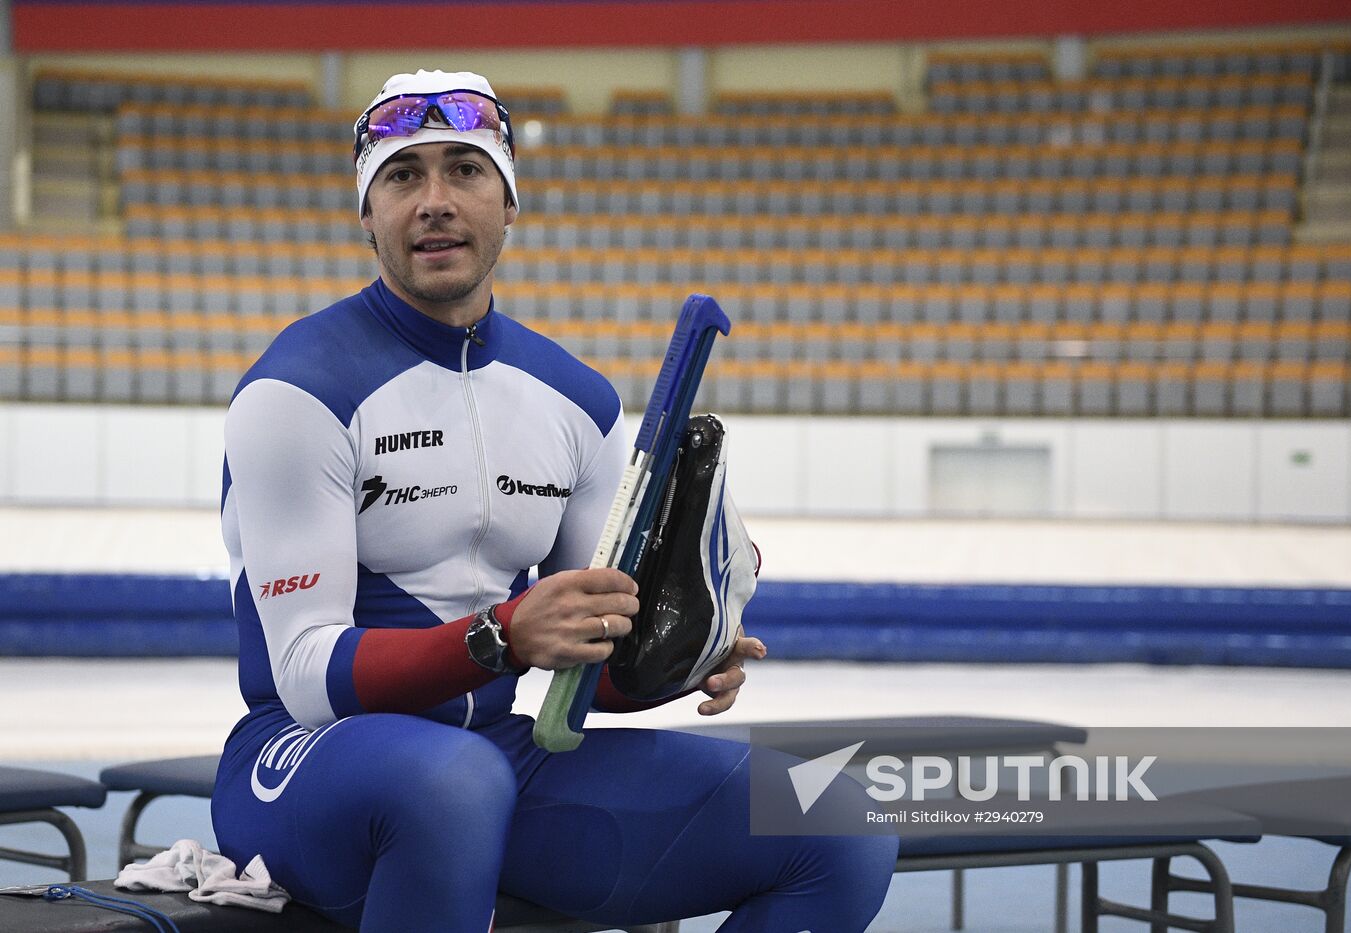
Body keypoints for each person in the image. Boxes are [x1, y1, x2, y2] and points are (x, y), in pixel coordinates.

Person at [211, 68, 897, 931]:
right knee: (451, 785)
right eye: (401, 176)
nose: (433, 201)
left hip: (493, 762)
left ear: (508, 203)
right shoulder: (295, 392)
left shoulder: (576, 401)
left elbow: (587, 678)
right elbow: (307, 676)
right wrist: (502, 634)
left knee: (835, 823)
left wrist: (678, 651)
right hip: (305, 756)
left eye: (464, 170)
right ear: (367, 213)